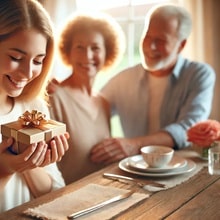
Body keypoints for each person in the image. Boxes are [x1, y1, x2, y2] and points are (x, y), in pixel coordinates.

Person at [90, 4, 216, 164]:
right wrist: (63, 91)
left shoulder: (199, 74)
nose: (151, 46)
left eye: (161, 40)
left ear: (181, 45)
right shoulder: (125, 78)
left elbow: (187, 129)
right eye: (147, 37)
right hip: (135, 169)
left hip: (181, 168)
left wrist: (133, 145)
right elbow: (93, 108)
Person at [0, 0, 69, 212]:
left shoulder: (33, 106)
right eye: (16, 57)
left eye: (38, 61)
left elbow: (53, 193)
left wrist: (27, 161)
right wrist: (5, 169)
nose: (28, 73)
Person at [48, 12, 125, 184]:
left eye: (95, 48)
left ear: (107, 52)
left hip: (103, 196)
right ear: (67, 52)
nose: (87, 56)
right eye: (79, 47)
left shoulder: (103, 103)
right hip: (65, 202)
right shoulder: (54, 97)